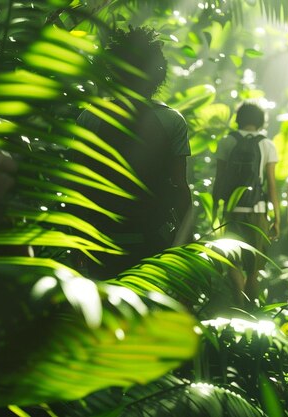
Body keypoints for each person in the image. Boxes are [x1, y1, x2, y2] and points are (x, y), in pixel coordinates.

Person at [73, 26, 192, 278]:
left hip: (101, 240)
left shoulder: (90, 118)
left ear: (115, 72)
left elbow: (80, 186)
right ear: (157, 74)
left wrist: (77, 243)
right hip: (153, 239)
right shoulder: (171, 120)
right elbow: (180, 186)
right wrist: (185, 243)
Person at [212, 102, 280, 305]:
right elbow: (271, 184)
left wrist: (216, 210)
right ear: (261, 121)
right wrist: (276, 218)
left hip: (232, 211)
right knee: (254, 269)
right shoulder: (267, 144)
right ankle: (251, 310)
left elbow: (219, 179)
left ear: (238, 118)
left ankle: (238, 304)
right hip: (256, 212)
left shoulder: (227, 142)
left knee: (233, 262)